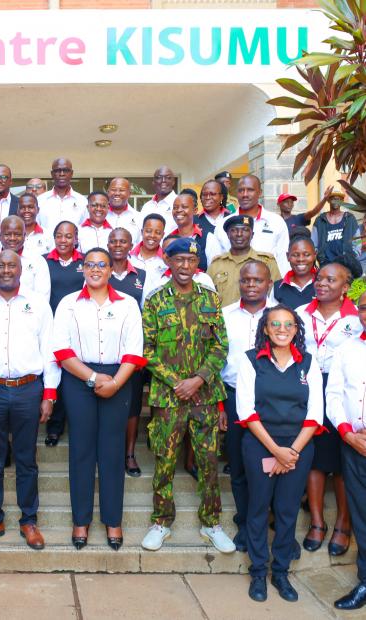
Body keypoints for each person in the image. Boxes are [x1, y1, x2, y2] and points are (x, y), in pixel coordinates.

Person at [140, 238, 234, 553]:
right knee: (164, 461)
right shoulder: (155, 301)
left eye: (190, 261)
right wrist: (178, 382)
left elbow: (221, 346)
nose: (184, 266)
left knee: (208, 462)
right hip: (168, 399)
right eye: (179, 260)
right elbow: (147, 350)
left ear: (197, 265)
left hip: (204, 397)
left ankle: (212, 524)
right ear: (168, 261)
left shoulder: (210, 299)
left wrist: (197, 381)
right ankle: (161, 523)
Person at [53, 247, 144, 550]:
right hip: (79, 379)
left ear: (110, 269)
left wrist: (116, 382)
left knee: (112, 451)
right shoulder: (68, 303)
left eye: (101, 265)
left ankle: (113, 520)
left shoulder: (128, 304)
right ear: (82, 268)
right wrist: (92, 378)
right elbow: (62, 350)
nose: (95, 269)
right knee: (81, 450)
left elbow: (134, 349)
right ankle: (81, 519)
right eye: (90, 264)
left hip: (119, 378)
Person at [0, 250, 58, 551]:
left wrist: (49, 393)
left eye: (12, 265)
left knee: (26, 460)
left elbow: (49, 351)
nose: (6, 270)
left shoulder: (38, 305)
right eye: (1, 266)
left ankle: (28, 521)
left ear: (21, 269)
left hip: (27, 390)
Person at [236, 305, 322, 602]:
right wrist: (276, 451)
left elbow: (315, 415)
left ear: (296, 329)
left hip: (299, 446)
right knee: (258, 508)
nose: (282, 329)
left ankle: (281, 573)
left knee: (287, 511)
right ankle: (258, 572)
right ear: (266, 329)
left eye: (288, 324)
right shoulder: (250, 361)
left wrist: (292, 452)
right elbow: (246, 410)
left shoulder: (308, 363)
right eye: (276, 324)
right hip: (261, 443)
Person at [297, 261, 363, 557]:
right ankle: (317, 521)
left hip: (344, 393)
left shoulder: (357, 318)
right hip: (307, 389)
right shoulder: (300, 314)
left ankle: (343, 525)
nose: (322, 283)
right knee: (316, 458)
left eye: (331, 279)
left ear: (345, 287)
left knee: (343, 462)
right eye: (319, 277)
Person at [221, 261, 272, 554]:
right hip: (233, 397)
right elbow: (217, 358)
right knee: (239, 467)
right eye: (246, 280)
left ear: (268, 283)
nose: (251, 285)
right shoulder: (225, 315)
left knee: (267, 468)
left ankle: (265, 524)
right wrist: (220, 406)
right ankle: (244, 524)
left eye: (258, 280)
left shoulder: (280, 317)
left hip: (270, 403)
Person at [327, 291, 366, 610]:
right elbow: (334, 395)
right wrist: (346, 433)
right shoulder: (346, 349)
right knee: (362, 516)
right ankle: (365, 582)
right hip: (354, 445)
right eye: (364, 307)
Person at [106, 227, 148, 475]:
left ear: (131, 244)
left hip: (131, 352)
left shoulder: (142, 275)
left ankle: (129, 453)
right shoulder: (101, 271)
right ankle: (109, 452)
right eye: (113, 240)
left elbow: (145, 312)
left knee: (132, 406)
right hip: (104, 352)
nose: (118, 245)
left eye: (123, 241)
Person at [43, 221, 85, 447]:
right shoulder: (43, 261)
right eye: (59, 236)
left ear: (76, 239)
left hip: (78, 326)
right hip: (51, 326)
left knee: (75, 375)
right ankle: (54, 427)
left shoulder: (85, 262)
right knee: (55, 376)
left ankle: (77, 425)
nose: (63, 240)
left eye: (68, 236)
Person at [206, 175, 290, 273]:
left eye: (250, 190)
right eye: (241, 190)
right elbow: (216, 263)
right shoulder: (223, 225)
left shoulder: (276, 222)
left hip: (268, 285)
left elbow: (283, 260)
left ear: (260, 193)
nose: (245, 194)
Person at [207, 215, 281, 306]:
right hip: (224, 319)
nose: (239, 234)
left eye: (245, 230)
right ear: (228, 235)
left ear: (252, 235)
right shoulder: (216, 265)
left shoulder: (267, 262)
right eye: (234, 230)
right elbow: (207, 299)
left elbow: (276, 296)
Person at [0, 215, 50, 302]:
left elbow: (42, 299)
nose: (12, 238)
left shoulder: (37, 261)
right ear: (0, 235)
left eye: (17, 234)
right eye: (7, 234)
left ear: (24, 235)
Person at [37, 157, 87, 232]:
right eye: (57, 171)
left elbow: (85, 229)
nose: (62, 174)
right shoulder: (40, 200)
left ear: (71, 173)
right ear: (52, 174)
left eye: (66, 170)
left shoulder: (82, 201)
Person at [312, 190, 360, 267]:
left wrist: (353, 257)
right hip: (325, 264)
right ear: (328, 201)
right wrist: (319, 257)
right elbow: (313, 243)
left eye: (338, 199)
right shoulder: (320, 220)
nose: (335, 201)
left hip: (346, 265)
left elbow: (357, 241)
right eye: (333, 198)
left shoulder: (350, 219)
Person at [272, 232, 317, 308]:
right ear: (287, 256)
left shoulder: (323, 284)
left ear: (315, 255)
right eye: (295, 255)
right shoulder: (277, 287)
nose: (301, 259)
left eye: (306, 255)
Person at [169, 193, 207, 271]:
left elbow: (213, 270)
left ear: (195, 210)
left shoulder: (208, 238)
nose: (179, 210)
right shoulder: (169, 239)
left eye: (184, 207)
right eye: (175, 207)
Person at [130, 214, 167, 283]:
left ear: (162, 235)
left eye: (158, 232)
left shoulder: (166, 261)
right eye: (148, 231)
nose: (152, 235)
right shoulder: (128, 257)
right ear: (142, 232)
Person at [105, 177, 142, 244]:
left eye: (122, 190)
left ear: (129, 194)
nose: (117, 193)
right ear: (108, 192)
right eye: (113, 190)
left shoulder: (139, 218)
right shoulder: (100, 216)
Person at [141, 166, 178, 232]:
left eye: (168, 178)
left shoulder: (180, 203)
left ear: (173, 182)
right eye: (159, 178)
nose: (163, 181)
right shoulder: (147, 206)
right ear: (153, 182)